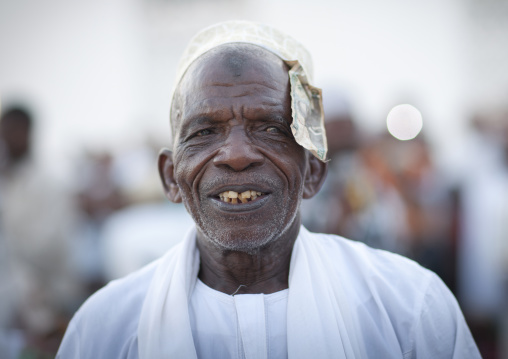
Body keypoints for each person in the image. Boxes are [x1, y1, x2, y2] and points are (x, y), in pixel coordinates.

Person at [57, 21, 480, 359]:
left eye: (272, 129)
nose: (237, 155)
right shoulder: (103, 330)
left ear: (313, 170)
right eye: (204, 131)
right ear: (171, 177)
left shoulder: (408, 307)